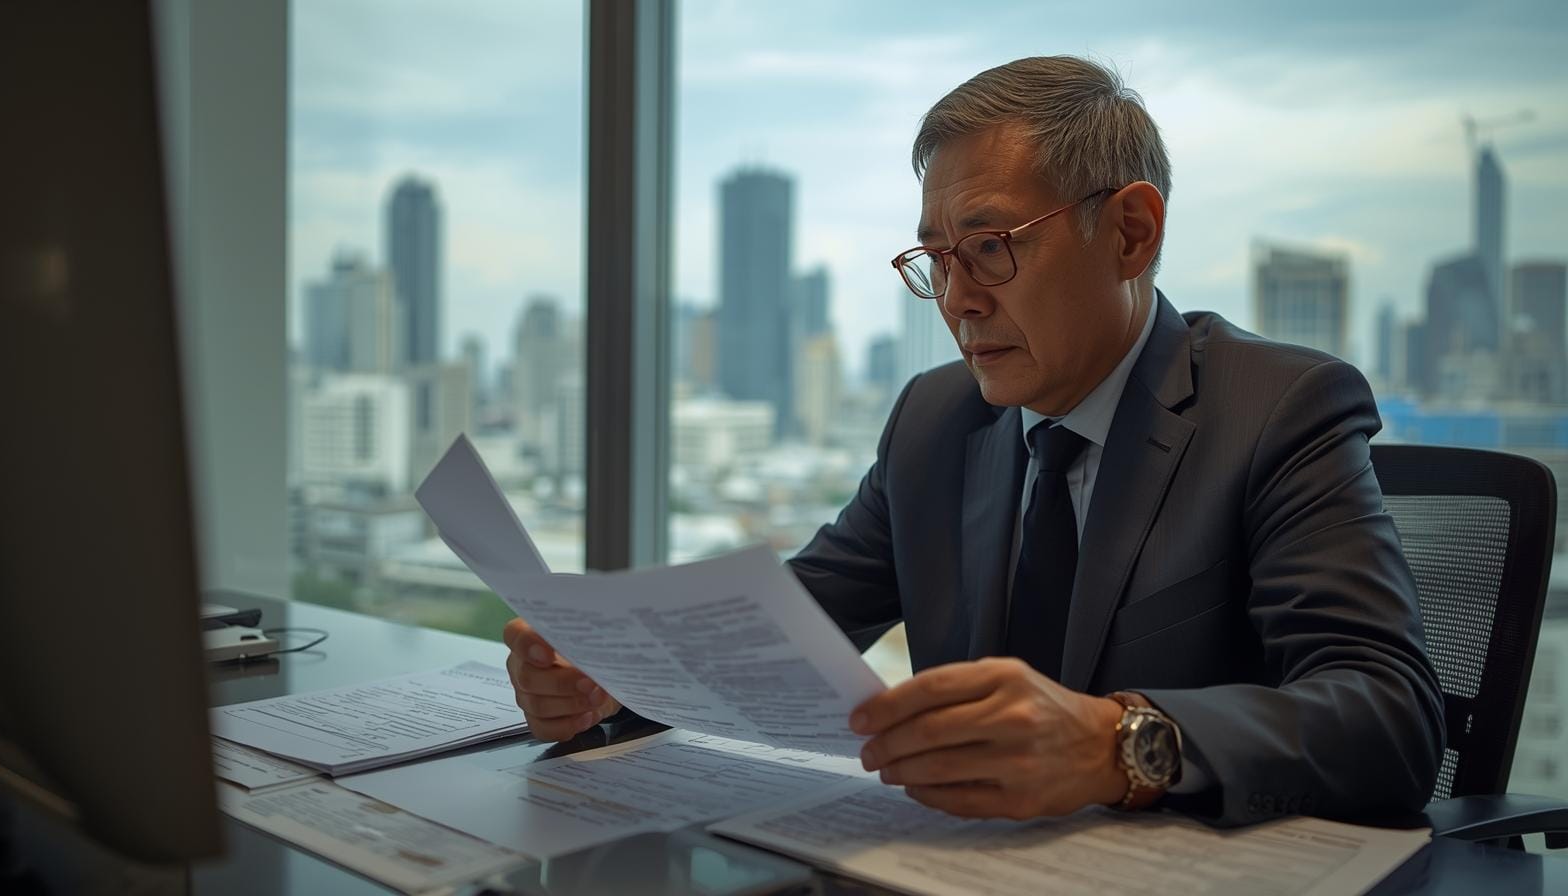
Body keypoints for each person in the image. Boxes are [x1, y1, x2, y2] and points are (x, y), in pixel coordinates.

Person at [503, 55, 1445, 826]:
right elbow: (782, 630)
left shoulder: (1278, 408)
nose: (957, 298)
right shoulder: (935, 420)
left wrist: (1116, 743)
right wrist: (614, 678)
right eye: (937, 259)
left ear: (1130, 233)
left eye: (992, 247)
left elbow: (1389, 720)